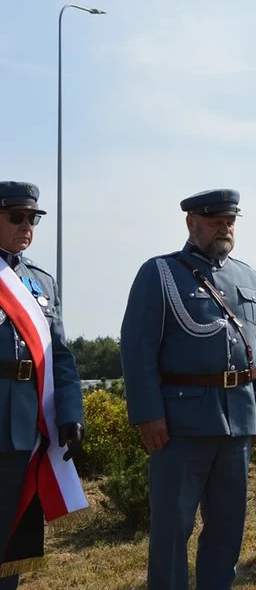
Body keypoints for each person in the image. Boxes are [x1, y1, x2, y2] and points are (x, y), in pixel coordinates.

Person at [120, 188, 256, 589]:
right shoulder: (159, 273)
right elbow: (138, 351)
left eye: (230, 221)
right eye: (215, 221)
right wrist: (147, 414)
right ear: (192, 224)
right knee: (173, 527)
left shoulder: (248, 276)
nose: (224, 228)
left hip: (237, 423)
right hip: (180, 424)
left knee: (228, 525)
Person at [0, 182, 85, 588]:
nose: (26, 226)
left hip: (29, 428)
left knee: (17, 533)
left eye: (32, 218)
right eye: (16, 217)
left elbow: (61, 356)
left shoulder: (41, 281)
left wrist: (70, 413)